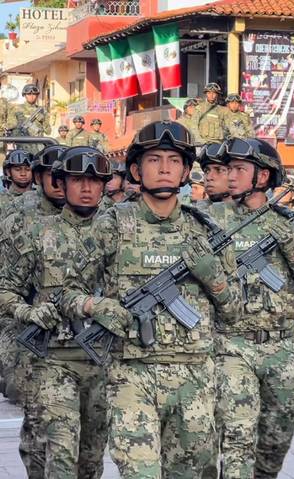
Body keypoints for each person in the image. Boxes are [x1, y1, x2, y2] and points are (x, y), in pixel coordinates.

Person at [60, 121, 244, 478]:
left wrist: (213, 277)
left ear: (186, 170)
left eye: (174, 160)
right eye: (154, 159)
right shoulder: (110, 225)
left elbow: (235, 311)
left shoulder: (207, 232)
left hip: (195, 378)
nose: (164, 167)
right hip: (131, 375)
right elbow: (65, 292)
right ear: (135, 170)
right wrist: (95, 306)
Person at [206, 137, 294, 478]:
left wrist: (290, 245)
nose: (230, 176)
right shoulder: (210, 220)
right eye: (227, 169)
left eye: (239, 169)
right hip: (231, 344)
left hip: (281, 344)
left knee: (281, 423)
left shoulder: (291, 222)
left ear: (263, 177)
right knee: (238, 434)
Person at [0, 146, 112, 479]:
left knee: (90, 460)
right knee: (56, 454)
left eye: (95, 180)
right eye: (78, 180)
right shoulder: (35, 232)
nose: (87, 188)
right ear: (62, 183)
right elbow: (5, 289)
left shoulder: (121, 230)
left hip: (102, 362)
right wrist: (28, 312)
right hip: (51, 360)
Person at [0, 144, 66, 476]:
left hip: (74, 337)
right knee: (39, 419)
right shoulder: (18, 216)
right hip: (26, 329)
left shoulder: (88, 213)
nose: (58, 181)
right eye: (51, 175)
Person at [8, 84, 51, 153]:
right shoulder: (16, 109)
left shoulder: (42, 110)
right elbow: (11, 125)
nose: (31, 96)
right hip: (22, 144)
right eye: (28, 94)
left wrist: (43, 121)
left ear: (37, 96)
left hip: (38, 144)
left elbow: (48, 132)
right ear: (24, 95)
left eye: (34, 94)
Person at [196, 141, 232, 209]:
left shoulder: (253, 213)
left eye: (219, 170)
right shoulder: (194, 215)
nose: (209, 177)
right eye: (206, 171)